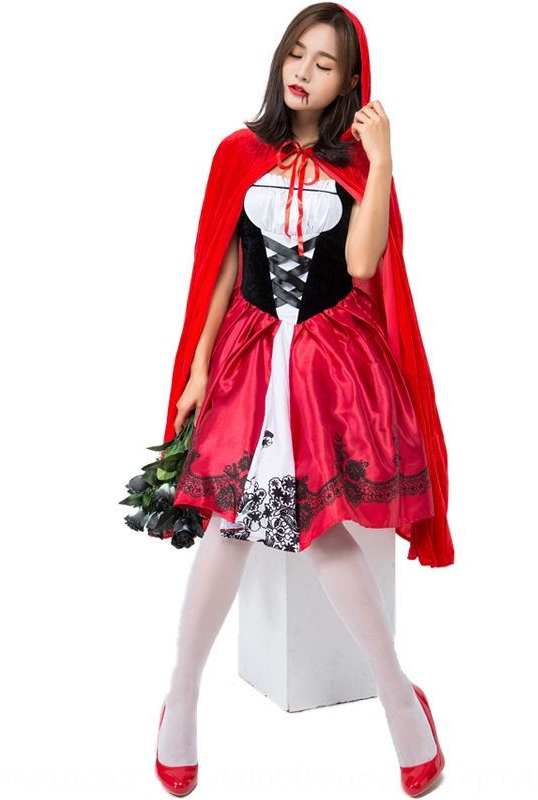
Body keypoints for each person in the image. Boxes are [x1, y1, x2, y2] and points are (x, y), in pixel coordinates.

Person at [153, 4, 452, 796]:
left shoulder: (357, 164)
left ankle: (397, 697)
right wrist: (196, 369)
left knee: (316, 525)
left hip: (326, 361)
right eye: (296, 53)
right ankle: (182, 694)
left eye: (324, 63)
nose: (303, 71)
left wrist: (382, 161)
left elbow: (363, 265)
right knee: (229, 521)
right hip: (252, 354)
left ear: (349, 81)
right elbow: (222, 263)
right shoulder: (237, 154)